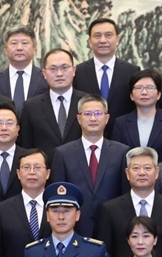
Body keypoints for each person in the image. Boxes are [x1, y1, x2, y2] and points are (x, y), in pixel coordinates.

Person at [50, 94, 130, 238]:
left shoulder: (121, 152)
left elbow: (125, 195)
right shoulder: (63, 153)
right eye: (87, 114)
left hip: (113, 228)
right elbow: (59, 197)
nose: (93, 118)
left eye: (98, 113)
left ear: (107, 118)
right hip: (76, 229)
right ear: (79, 119)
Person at [96, 146, 162, 257]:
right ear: (127, 173)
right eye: (136, 168)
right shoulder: (110, 209)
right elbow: (106, 253)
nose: (142, 173)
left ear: (157, 172)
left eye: (147, 168)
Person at [73, 18, 140, 130]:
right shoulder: (78, 72)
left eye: (108, 35)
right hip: (89, 134)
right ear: (89, 41)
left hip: (123, 134)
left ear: (117, 39)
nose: (103, 40)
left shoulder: (132, 71)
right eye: (97, 36)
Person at [17, 49, 82, 156]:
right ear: (44, 73)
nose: (59, 74)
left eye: (64, 68)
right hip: (45, 166)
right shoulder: (31, 107)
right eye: (53, 69)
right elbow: (26, 145)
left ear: (74, 70)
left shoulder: (87, 102)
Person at [111, 69, 162, 160]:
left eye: (150, 88)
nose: (144, 92)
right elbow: (117, 156)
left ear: (159, 94)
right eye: (139, 88)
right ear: (131, 95)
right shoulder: (121, 123)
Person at [0, 26, 47, 113]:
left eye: (24, 43)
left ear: (34, 49)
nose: (19, 48)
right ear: (5, 49)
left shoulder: (45, 78)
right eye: (14, 43)